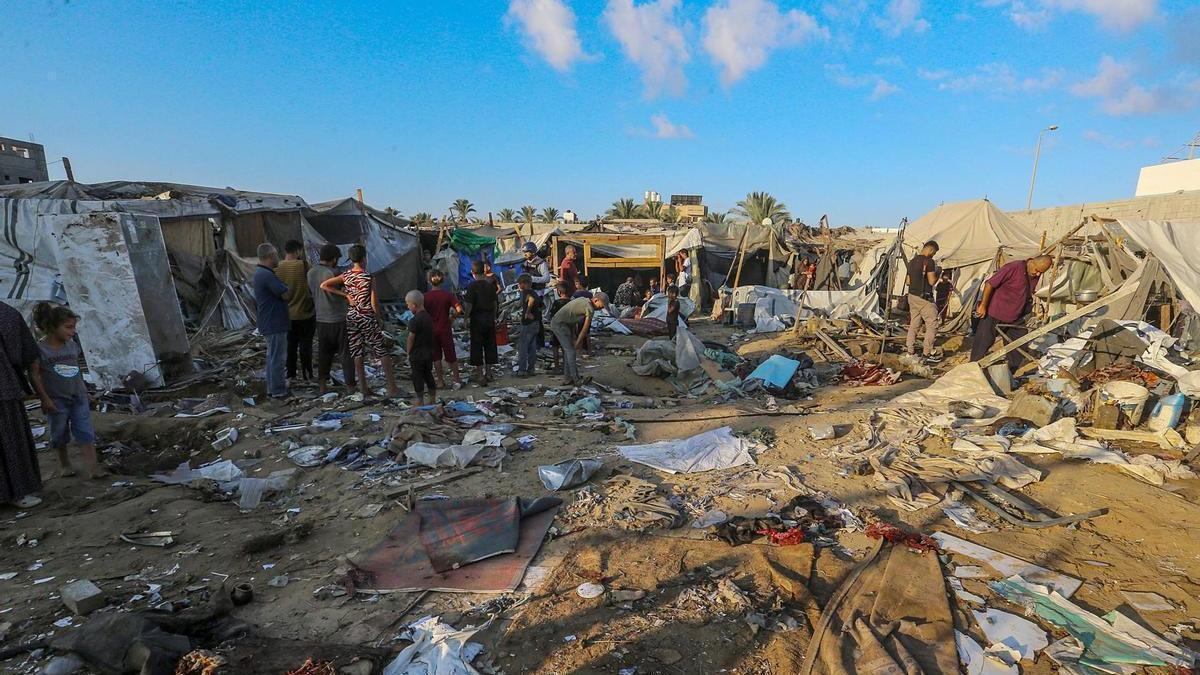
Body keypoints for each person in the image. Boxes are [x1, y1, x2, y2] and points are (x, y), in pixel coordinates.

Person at [29, 303, 104, 479]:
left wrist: (84, 390)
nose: (72, 332)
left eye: (73, 328)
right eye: (68, 327)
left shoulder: (71, 346)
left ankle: (94, 468)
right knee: (59, 433)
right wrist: (44, 399)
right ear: (53, 327)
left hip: (78, 397)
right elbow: (34, 376)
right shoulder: (40, 350)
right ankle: (64, 464)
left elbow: (75, 369)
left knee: (85, 431)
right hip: (56, 400)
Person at [320, 244, 400, 398]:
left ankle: (363, 388)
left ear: (351, 259)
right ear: (364, 258)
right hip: (366, 316)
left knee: (357, 351)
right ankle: (392, 388)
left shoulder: (346, 275)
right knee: (381, 350)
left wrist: (346, 295)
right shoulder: (368, 277)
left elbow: (324, 285)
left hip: (351, 316)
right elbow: (374, 301)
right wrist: (378, 319)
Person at [971, 255, 1054, 369]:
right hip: (995, 312)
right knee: (983, 342)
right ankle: (973, 369)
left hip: (1015, 317)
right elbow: (989, 284)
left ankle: (1010, 372)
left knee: (1019, 343)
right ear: (1032, 263)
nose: (1038, 274)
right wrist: (983, 306)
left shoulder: (1033, 273)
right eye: (1037, 271)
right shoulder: (1013, 268)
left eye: (1041, 273)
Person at [0, 301, 45, 508]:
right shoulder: (7, 313)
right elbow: (23, 354)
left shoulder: (6, 313)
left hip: (5, 387)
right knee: (10, 439)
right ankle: (18, 492)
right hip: (5, 387)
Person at [308, 243, 356, 395]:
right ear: (334, 258)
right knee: (346, 354)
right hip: (339, 318)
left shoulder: (311, 272)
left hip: (321, 319)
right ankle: (350, 387)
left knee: (324, 354)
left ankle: (322, 386)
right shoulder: (334, 273)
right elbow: (347, 291)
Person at [253, 243, 293, 398]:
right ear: (270, 257)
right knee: (277, 358)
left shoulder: (261, 273)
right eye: (276, 255)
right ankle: (278, 390)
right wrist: (289, 287)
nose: (278, 257)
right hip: (274, 322)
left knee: (272, 357)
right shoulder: (267, 275)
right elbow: (285, 295)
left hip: (269, 321)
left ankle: (273, 388)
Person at [550, 292, 609, 386]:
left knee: (568, 352)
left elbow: (572, 317)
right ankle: (576, 379)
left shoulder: (584, 300)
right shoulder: (589, 309)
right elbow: (584, 330)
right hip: (560, 325)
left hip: (564, 324)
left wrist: (574, 337)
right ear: (596, 300)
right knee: (571, 352)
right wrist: (578, 343)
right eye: (601, 306)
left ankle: (567, 378)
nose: (601, 308)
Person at [277, 240, 315, 381]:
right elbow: (312, 285)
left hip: (287, 315)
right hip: (305, 313)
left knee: (290, 346)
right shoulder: (304, 265)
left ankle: (291, 374)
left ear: (286, 251)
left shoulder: (277, 267)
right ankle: (307, 374)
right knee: (306, 345)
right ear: (298, 251)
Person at [423, 269, 463, 389]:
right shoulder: (448, 295)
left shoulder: (425, 297)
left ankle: (440, 382)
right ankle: (456, 380)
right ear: (442, 281)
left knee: (436, 357)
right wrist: (452, 318)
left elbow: (420, 313)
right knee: (451, 356)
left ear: (429, 281)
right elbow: (459, 309)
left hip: (431, 330)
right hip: (445, 328)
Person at [463, 260, 499, 385]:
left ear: (473, 272)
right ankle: (489, 373)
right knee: (490, 345)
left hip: (477, 319)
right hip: (489, 318)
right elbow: (495, 303)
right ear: (484, 271)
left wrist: (465, 318)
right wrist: (494, 317)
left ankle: (479, 375)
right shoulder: (490, 285)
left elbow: (469, 305)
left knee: (477, 346)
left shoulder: (472, 286)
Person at [905, 240, 941, 362]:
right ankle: (927, 353)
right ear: (930, 249)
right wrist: (938, 272)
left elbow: (908, 282)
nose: (933, 255)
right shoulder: (929, 262)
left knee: (914, 324)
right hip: (924, 298)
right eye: (934, 252)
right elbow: (931, 281)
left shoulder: (911, 262)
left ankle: (910, 351)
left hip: (912, 296)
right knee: (932, 324)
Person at [405, 290, 437, 406]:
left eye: (408, 305)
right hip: (428, 352)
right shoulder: (428, 317)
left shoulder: (414, 320)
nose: (408, 307)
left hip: (417, 354)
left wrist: (408, 352)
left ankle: (420, 400)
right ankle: (432, 397)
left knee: (417, 376)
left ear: (414, 305)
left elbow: (410, 338)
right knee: (428, 374)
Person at [515, 274, 543, 377]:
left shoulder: (526, 292)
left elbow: (531, 300)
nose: (519, 286)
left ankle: (522, 370)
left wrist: (527, 312)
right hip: (536, 322)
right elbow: (541, 306)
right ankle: (531, 369)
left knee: (523, 347)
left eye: (520, 283)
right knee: (532, 347)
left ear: (525, 283)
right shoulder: (534, 292)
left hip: (528, 323)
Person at [548, 281, 572, 372]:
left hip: (557, 328)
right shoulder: (571, 303)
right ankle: (567, 367)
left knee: (555, 347)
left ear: (558, 291)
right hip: (568, 327)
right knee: (566, 348)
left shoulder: (557, 303)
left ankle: (557, 367)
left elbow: (552, 316)